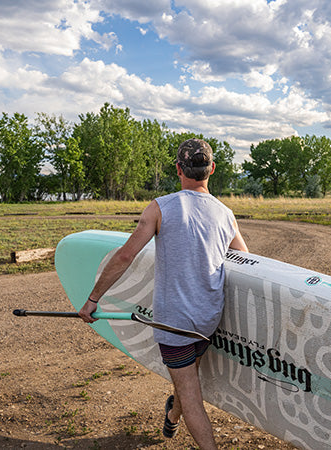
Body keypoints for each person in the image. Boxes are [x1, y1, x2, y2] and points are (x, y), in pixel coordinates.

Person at [78, 138, 248, 449]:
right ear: (211, 168)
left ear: (178, 169)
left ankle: (185, 423)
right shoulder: (226, 214)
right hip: (208, 319)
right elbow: (245, 259)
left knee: (190, 395)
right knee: (187, 379)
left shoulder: (161, 207)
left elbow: (125, 255)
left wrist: (92, 299)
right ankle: (172, 416)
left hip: (175, 323)